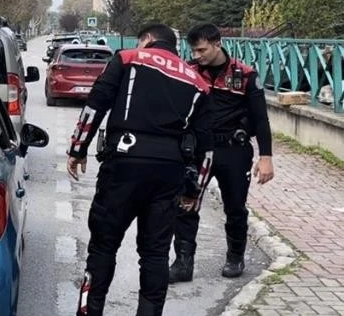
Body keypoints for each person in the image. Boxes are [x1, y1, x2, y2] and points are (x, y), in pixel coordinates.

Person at [68, 23, 214, 316]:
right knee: (155, 254)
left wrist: (78, 149)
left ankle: (89, 311)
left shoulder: (127, 58)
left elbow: (95, 105)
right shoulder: (198, 82)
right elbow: (206, 146)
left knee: (103, 247)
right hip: (169, 172)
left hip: (123, 165)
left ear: (147, 39)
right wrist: (194, 192)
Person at [169, 23, 275, 283]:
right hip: (198, 151)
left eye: (202, 50)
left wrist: (266, 157)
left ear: (217, 44)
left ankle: (235, 257)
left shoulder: (245, 74)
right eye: (194, 51)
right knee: (186, 204)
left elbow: (261, 119)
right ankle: (183, 263)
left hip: (232, 150)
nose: (197, 56)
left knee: (235, 207)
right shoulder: (189, 71)